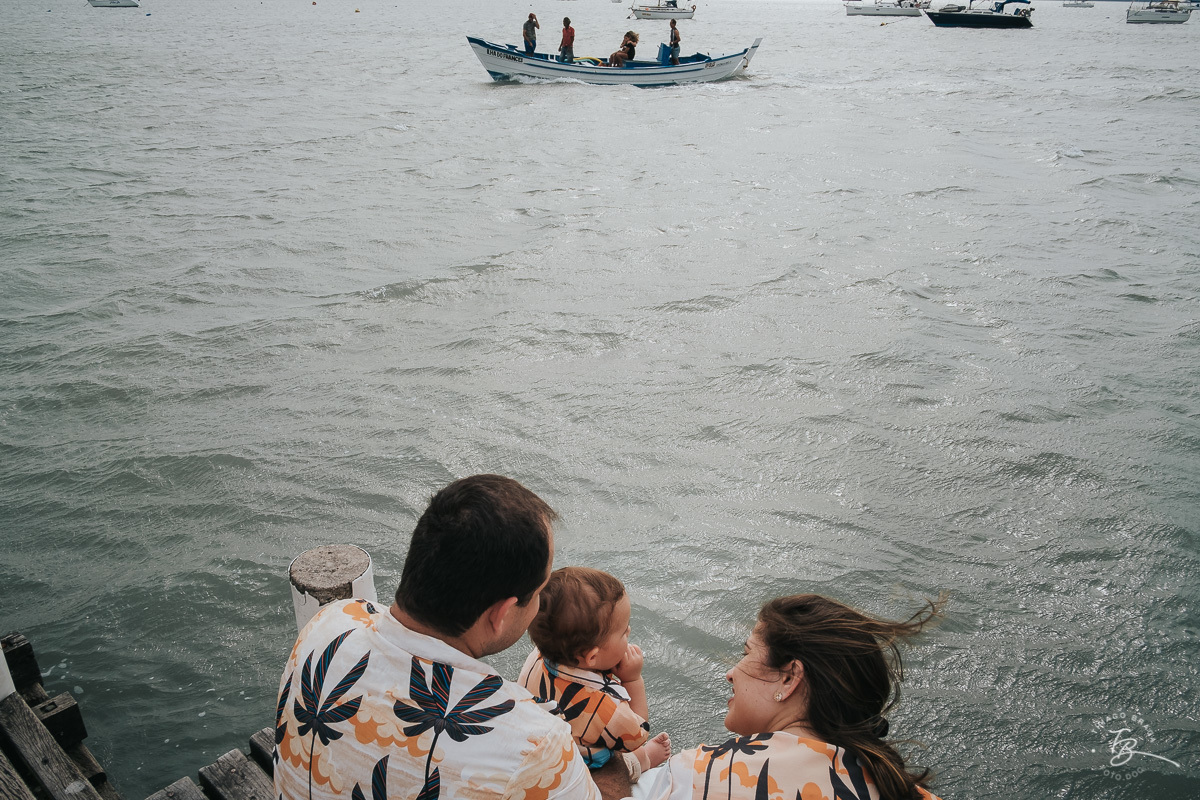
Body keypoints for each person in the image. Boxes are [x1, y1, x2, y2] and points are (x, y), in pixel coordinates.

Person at [273, 475, 630, 800]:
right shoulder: (534, 744)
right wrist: (614, 768)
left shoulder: (328, 623)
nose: (538, 607)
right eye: (538, 592)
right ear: (501, 613)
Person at [636, 594, 944, 800]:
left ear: (789, 677)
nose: (731, 673)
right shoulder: (907, 791)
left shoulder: (699, 776)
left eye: (746, 653)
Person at [518, 568, 672, 783]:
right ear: (592, 657)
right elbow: (637, 734)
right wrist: (632, 680)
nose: (628, 632)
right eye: (623, 631)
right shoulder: (605, 708)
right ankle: (644, 760)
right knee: (618, 766)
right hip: (577, 765)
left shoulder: (539, 655)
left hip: (540, 744)